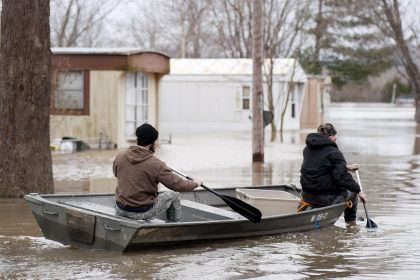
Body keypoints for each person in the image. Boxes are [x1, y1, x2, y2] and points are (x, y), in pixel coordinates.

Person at [113, 123, 202, 222]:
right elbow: (178, 185)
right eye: (156, 141)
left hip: (120, 209)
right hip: (142, 213)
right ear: (152, 143)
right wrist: (195, 183)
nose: (157, 143)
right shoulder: (156, 164)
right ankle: (174, 228)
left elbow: (117, 174)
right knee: (174, 195)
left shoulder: (120, 156)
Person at [298, 123, 367, 222]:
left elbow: (321, 168)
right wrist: (359, 191)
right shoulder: (334, 152)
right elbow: (342, 178)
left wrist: (346, 167)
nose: (336, 138)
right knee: (352, 192)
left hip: (307, 195)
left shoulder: (307, 149)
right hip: (325, 198)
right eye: (334, 135)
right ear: (329, 137)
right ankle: (351, 222)